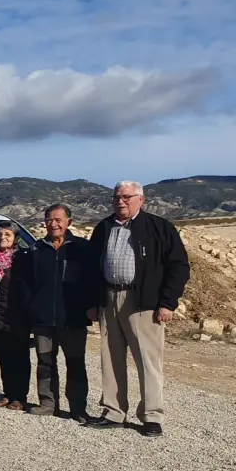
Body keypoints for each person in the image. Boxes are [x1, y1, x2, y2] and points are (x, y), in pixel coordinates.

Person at [83, 181, 189, 438]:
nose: (120, 201)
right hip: (109, 298)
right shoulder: (104, 227)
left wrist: (167, 302)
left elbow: (178, 266)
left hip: (143, 301)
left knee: (148, 360)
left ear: (141, 199)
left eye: (126, 197)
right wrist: (92, 302)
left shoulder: (159, 227)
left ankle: (151, 416)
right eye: (116, 197)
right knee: (110, 358)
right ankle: (113, 412)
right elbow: (90, 267)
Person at [19, 204, 92, 421]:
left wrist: (90, 306)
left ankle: (78, 407)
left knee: (76, 363)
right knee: (45, 362)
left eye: (58, 220)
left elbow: (92, 281)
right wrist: (31, 306)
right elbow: (25, 282)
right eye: (49, 220)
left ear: (69, 221)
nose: (53, 224)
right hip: (43, 319)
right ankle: (48, 403)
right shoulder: (36, 250)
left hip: (73, 318)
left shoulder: (82, 248)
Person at [0, 222, 31, 411]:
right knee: (3, 357)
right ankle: (8, 393)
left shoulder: (23, 259)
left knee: (19, 357)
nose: (2, 237)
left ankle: (20, 396)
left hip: (17, 317)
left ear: (15, 238)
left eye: (7, 235)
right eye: (0, 234)